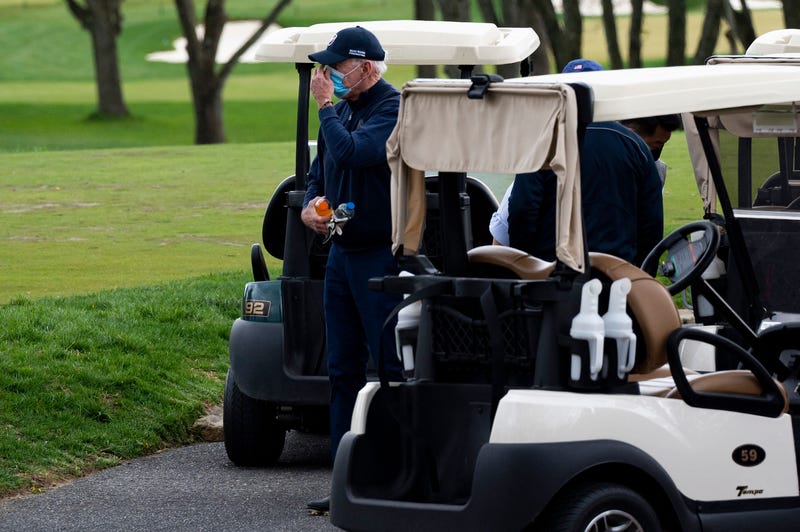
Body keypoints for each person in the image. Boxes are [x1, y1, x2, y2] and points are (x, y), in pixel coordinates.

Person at [300, 26, 404, 516]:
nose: (328, 76)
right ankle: (346, 478)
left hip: (380, 255)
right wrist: (310, 208)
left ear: (365, 67)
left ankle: (395, 474)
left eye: (337, 67)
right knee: (340, 368)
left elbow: (356, 153)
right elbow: (323, 170)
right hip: (342, 252)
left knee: (388, 366)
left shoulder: (392, 106)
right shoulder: (342, 109)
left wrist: (323, 107)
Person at [490, 59, 664, 266]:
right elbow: (651, 224)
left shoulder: (542, 141)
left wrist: (528, 264)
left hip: (550, 274)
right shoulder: (637, 147)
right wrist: (640, 273)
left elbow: (523, 207)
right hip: (617, 275)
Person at [621, 114, 682, 186]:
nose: (660, 148)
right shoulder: (609, 165)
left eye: (664, 143)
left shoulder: (658, 170)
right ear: (632, 133)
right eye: (657, 143)